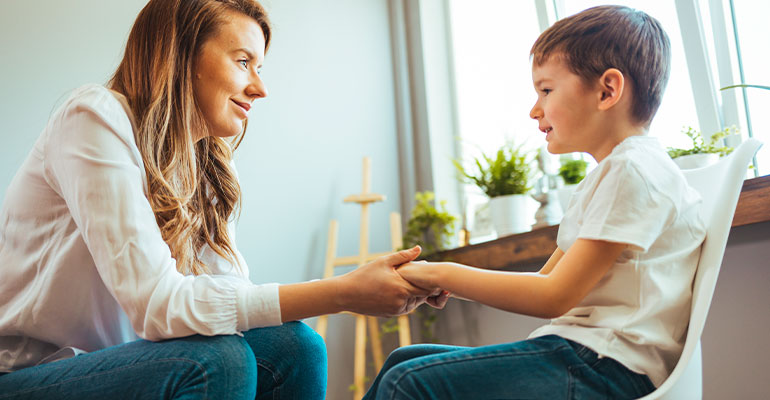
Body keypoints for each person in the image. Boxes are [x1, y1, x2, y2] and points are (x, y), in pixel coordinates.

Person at [0, 0, 449, 398]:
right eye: (243, 62)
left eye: (260, 67)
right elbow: (159, 305)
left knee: (296, 345)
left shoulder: (208, 163)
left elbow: (227, 298)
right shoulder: (94, 118)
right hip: (31, 373)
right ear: (180, 56)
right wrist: (341, 293)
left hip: (125, 361)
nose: (259, 87)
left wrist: (348, 290)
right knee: (217, 361)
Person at [364, 5, 707, 400]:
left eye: (546, 90)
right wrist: (439, 281)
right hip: (579, 354)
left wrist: (441, 273)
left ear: (607, 90)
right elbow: (545, 283)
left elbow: (554, 298)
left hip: (610, 367)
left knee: (409, 382)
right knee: (404, 361)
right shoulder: (610, 175)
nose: (534, 110)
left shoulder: (636, 171)